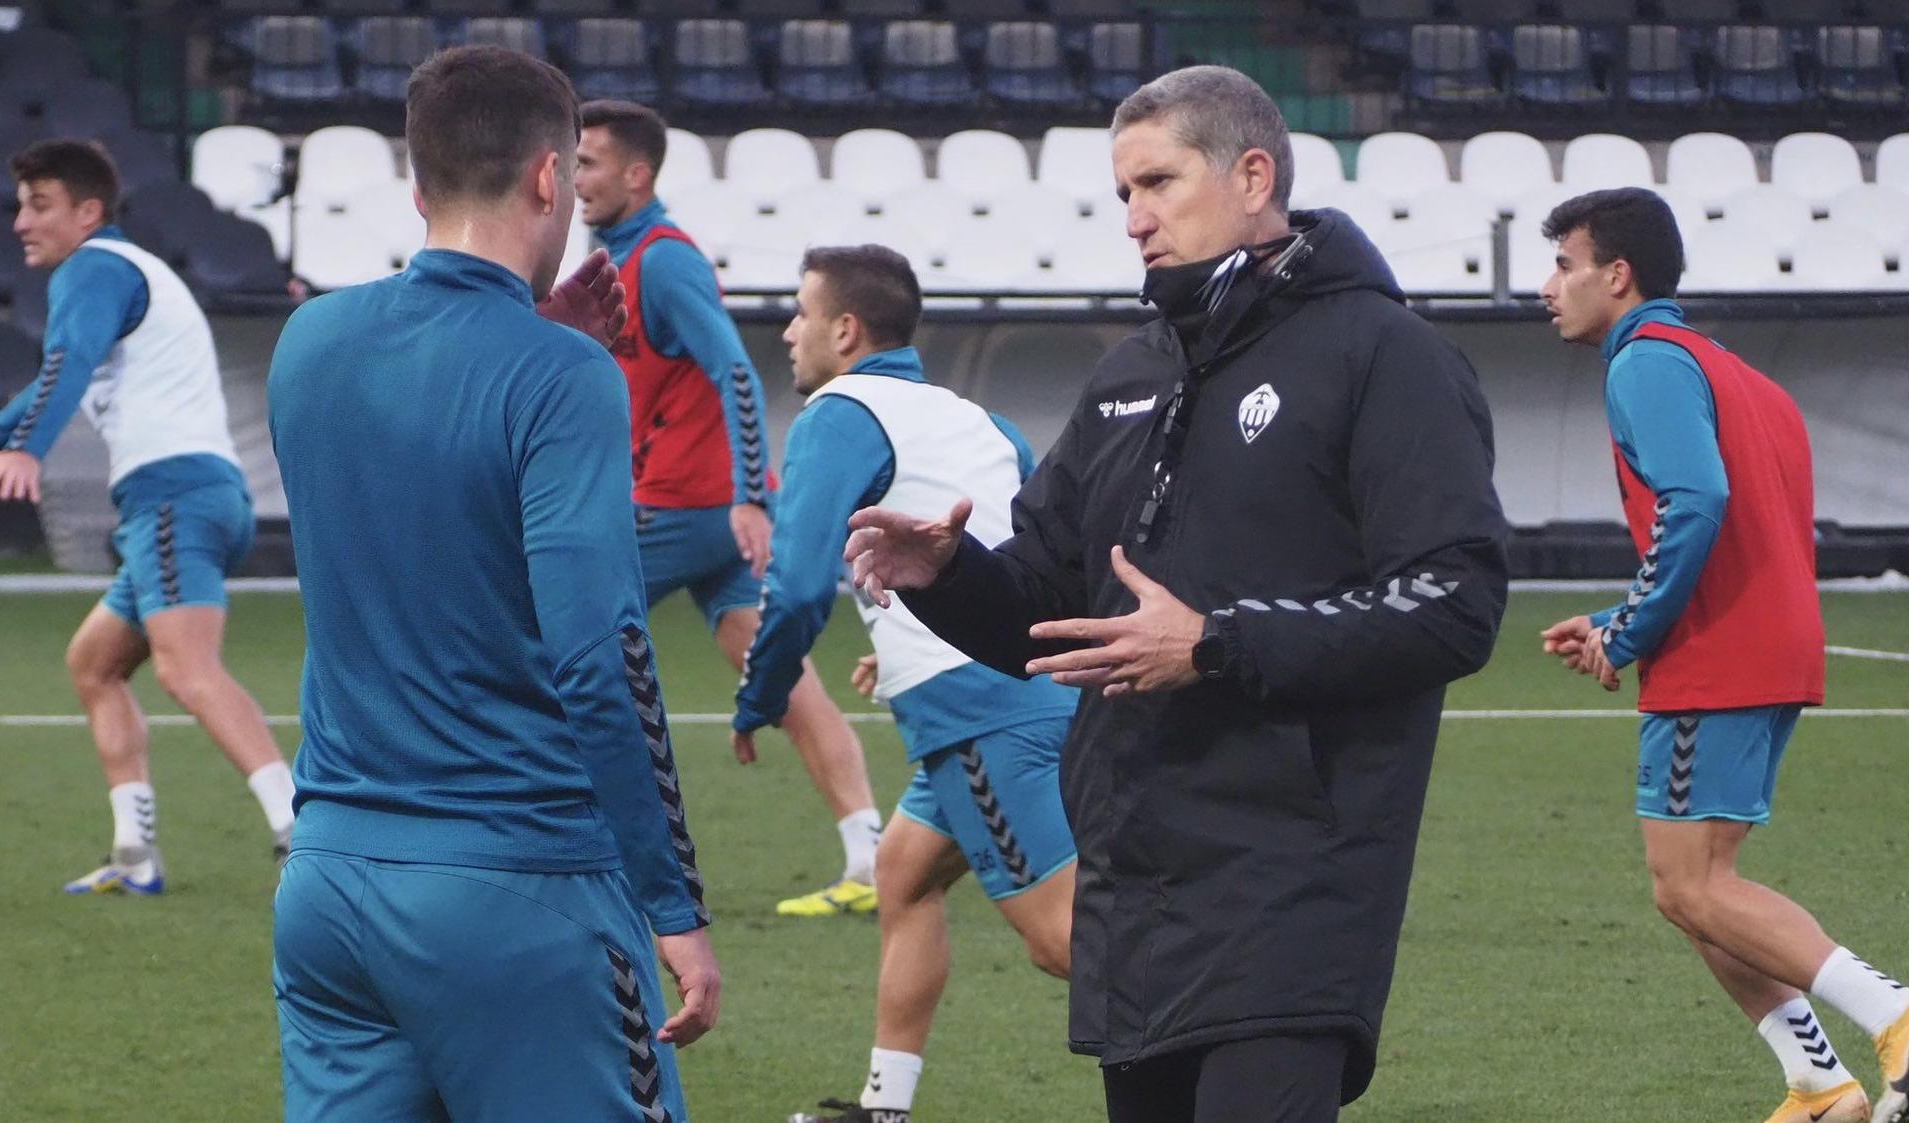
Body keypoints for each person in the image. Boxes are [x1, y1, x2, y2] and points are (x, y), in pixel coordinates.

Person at [841, 66, 1509, 1122]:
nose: (1132, 219)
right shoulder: (1128, 374)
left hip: (1294, 887)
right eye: (1121, 194)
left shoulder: (1385, 355)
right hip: (1135, 887)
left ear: (1251, 175)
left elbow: (1452, 601)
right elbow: (1044, 618)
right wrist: (947, 575)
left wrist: (1214, 642)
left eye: (1155, 183)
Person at [266, 46, 718, 1121]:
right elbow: (598, 652)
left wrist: (533, 341)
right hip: (518, 891)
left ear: (415, 185)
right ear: (552, 178)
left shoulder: (309, 341)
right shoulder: (562, 376)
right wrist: (673, 902)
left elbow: (422, 454)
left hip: (328, 887)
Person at [1536, 186, 1909, 1123]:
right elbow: (1740, 527)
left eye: (1564, 265)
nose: (1550, 287)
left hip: (1719, 657)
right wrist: (1623, 613)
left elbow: (1695, 503)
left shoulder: (1644, 364)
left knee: (1695, 882)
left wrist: (1630, 631)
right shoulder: (1733, 370)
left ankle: (1896, 1016)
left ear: (1616, 276)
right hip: (1769, 643)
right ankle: (1821, 1085)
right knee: (1693, 888)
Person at [723, 245, 1078, 1123]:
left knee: (1064, 941)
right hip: (1012, 692)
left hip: (979, 716)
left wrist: (763, 697)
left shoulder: (837, 413)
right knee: (904, 874)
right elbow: (1032, 563)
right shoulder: (977, 420)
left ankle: (1256, 1036)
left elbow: (800, 584)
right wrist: (910, 639)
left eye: (802, 313)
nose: (790, 330)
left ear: (845, 331)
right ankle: (885, 1109)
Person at [0, 138, 293, 896]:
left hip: (173, 497)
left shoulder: (93, 269)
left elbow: (61, 365)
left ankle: (304, 833)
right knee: (94, 664)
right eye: (21, 204)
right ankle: (135, 857)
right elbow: (55, 381)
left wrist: (27, 449)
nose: (21, 222)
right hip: (195, 495)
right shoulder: (129, 272)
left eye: (40, 205)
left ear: (88, 212)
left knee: (186, 669)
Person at [571, 99, 885, 917]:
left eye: (590, 164)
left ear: (637, 176)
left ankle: (586, 855)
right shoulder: (618, 255)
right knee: (784, 683)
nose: (576, 180)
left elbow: (738, 375)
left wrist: (749, 497)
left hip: (685, 511)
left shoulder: (664, 261)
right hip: (706, 518)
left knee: (553, 646)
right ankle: (869, 854)